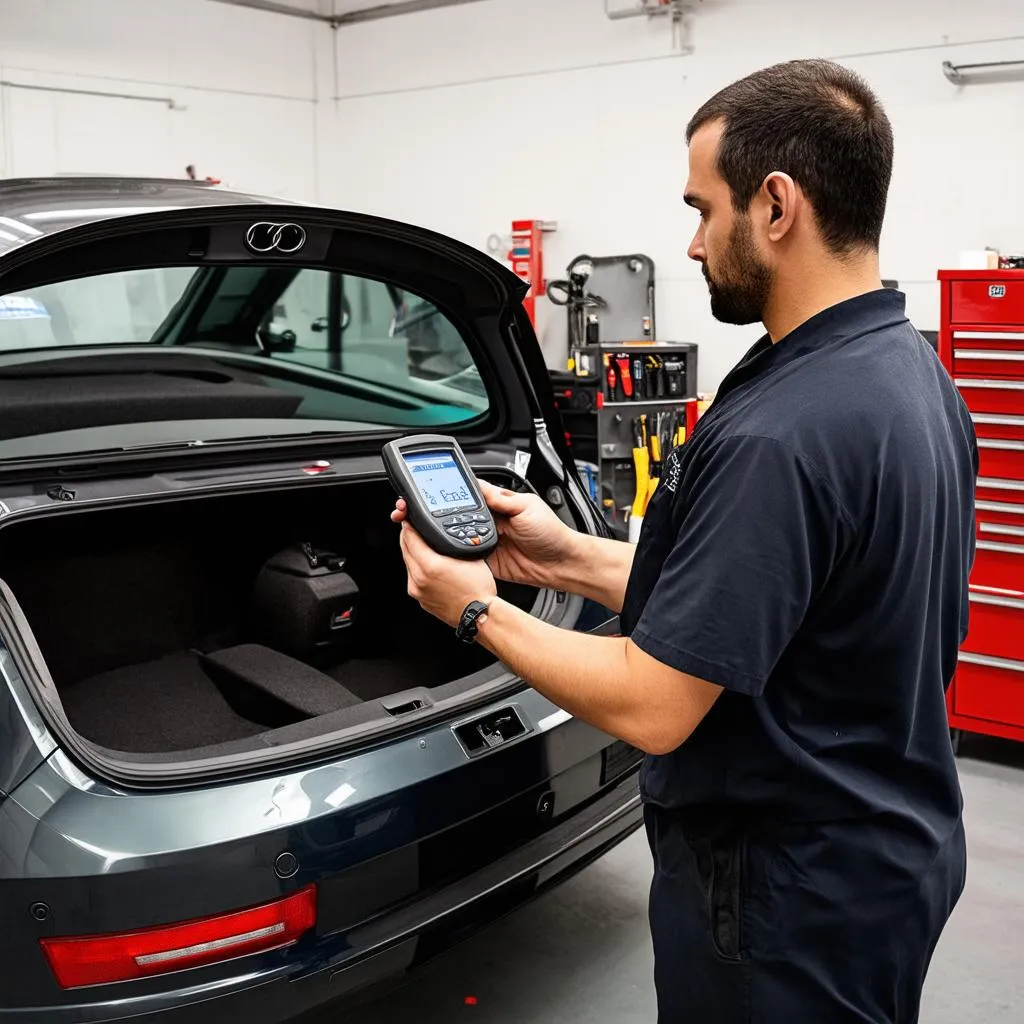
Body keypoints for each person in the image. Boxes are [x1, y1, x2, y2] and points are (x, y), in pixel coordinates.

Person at [392, 59, 977, 1023]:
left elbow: (657, 704)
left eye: (705, 208)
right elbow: (760, 599)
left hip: (781, 901)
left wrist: (473, 609)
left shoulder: (783, 431)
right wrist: (561, 556)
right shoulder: (908, 375)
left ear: (777, 205)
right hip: (886, 857)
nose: (695, 242)